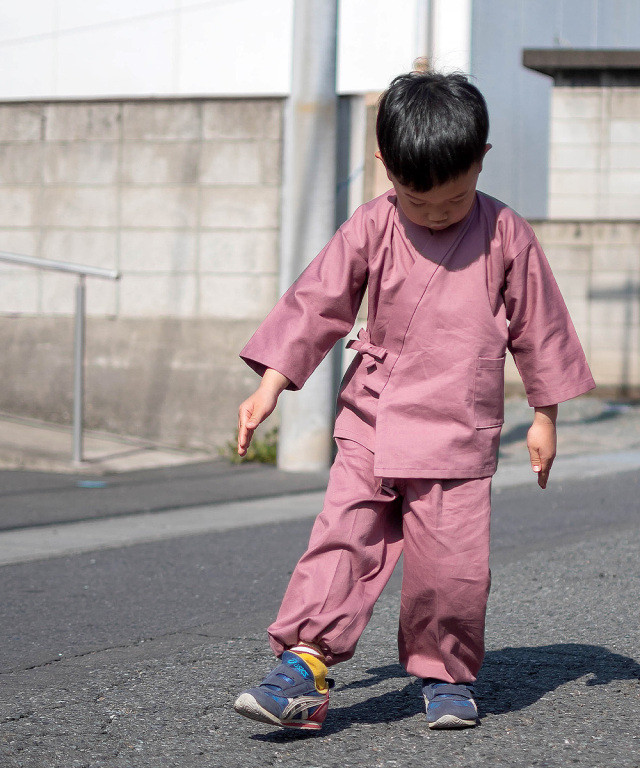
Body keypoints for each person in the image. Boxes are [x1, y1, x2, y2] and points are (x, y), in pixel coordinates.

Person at [232, 68, 595, 731]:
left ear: (481, 162)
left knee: (450, 569)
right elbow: (319, 304)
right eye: (414, 200)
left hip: (459, 427)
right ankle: (303, 667)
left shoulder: (506, 233)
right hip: (373, 416)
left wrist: (545, 417)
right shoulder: (372, 223)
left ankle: (444, 673)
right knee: (343, 540)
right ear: (384, 167)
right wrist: (270, 384)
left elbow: (539, 327)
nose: (431, 215)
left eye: (450, 204)